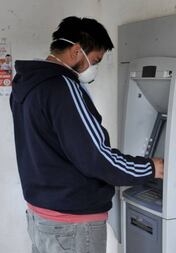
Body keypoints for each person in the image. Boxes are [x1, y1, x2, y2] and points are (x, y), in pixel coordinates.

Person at [10, 16, 164, 253]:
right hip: (72, 224)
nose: (95, 68)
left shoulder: (27, 83)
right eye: (95, 60)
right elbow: (96, 157)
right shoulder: (63, 88)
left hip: (41, 215)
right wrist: (150, 167)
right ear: (76, 51)